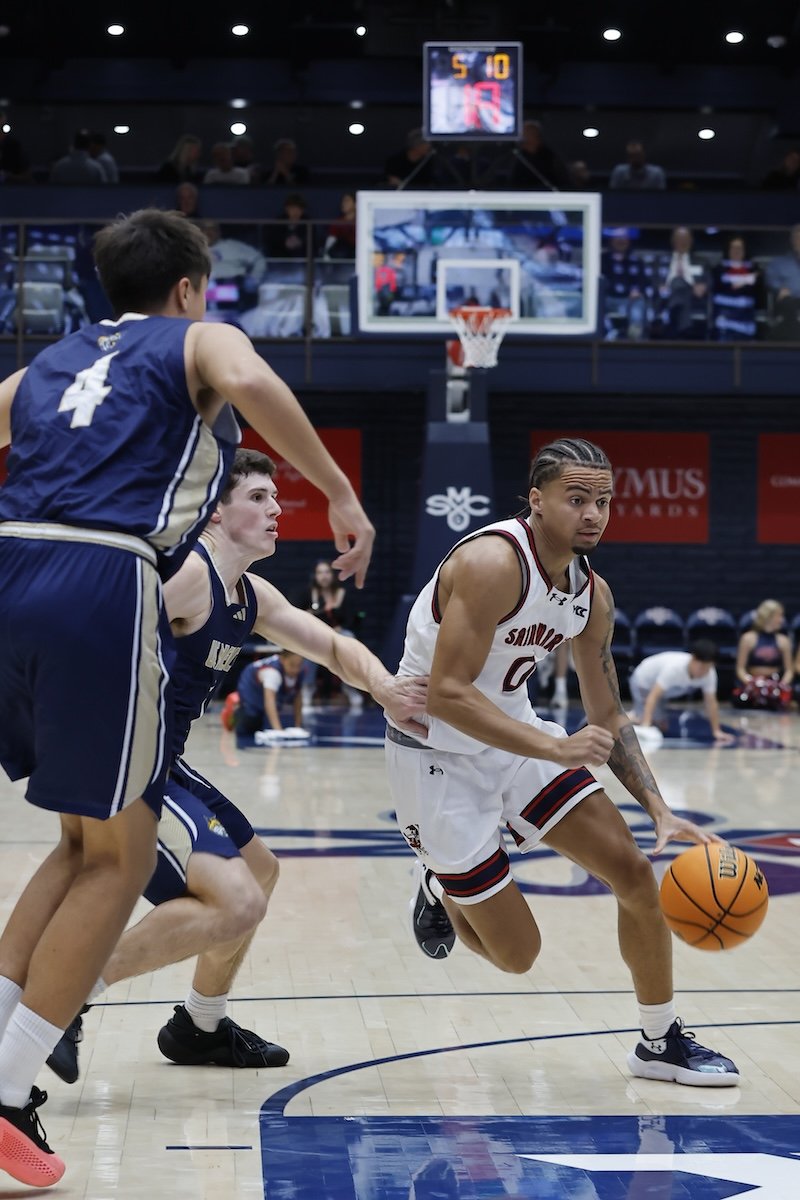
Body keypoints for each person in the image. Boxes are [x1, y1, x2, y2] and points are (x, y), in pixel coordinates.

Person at [0, 207, 375, 1187]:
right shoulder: (196, 337)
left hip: (11, 576)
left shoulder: (55, 359)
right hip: (98, 579)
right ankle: (3, 1092)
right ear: (185, 288)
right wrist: (337, 490)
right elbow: (248, 379)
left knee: (82, 840)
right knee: (119, 861)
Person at [45, 448, 426, 1085]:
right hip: (118, 758)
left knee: (260, 871)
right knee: (236, 902)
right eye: (257, 498)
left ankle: (200, 1025)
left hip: (160, 759)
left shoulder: (248, 593)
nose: (276, 509)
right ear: (214, 511)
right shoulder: (190, 575)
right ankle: (63, 995)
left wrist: (386, 688)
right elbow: (94, 635)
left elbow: (329, 643)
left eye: (276, 499)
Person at [385, 437, 740, 1095]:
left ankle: (659, 1040)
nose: (593, 514)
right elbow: (448, 693)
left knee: (635, 871)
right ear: (536, 500)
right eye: (576, 498)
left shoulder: (589, 593)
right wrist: (552, 746)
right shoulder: (493, 562)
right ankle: (436, 877)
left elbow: (608, 715)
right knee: (517, 956)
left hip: (517, 738)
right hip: (436, 755)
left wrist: (659, 809)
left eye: (603, 500)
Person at [628, 640, 735, 743]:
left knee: (662, 725)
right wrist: (646, 725)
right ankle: (630, 717)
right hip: (643, 681)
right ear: (693, 659)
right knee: (646, 721)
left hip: (665, 691)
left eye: (708, 668)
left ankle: (637, 716)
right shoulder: (675, 668)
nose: (704, 672)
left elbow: (711, 703)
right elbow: (653, 696)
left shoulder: (709, 674)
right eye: (701, 667)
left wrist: (716, 731)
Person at [296, 558, 361, 707]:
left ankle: (350, 686)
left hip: (338, 633)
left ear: (332, 575)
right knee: (310, 647)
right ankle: (308, 687)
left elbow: (353, 617)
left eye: (327, 572)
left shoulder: (341, 593)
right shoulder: (308, 594)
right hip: (317, 634)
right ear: (315, 576)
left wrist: (341, 626)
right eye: (320, 573)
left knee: (350, 638)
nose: (324, 576)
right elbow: (298, 615)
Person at [733, 599, 793, 710]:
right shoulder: (747, 638)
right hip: (752, 682)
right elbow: (740, 669)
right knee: (740, 700)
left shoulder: (784, 641)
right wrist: (752, 683)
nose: (781, 620)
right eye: (778, 616)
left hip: (774, 683)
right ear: (767, 616)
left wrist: (781, 685)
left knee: (778, 701)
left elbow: (789, 670)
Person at [236, 648, 308, 739]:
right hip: (251, 687)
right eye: (292, 665)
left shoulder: (300, 671)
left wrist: (298, 726)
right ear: (282, 659)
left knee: (278, 717)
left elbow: (298, 698)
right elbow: (270, 701)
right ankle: (234, 708)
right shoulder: (272, 672)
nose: (296, 669)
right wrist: (278, 731)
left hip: (267, 690)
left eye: (299, 665)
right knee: (250, 723)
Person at [654, 226, 710, 339]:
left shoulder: (701, 262)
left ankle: (673, 321)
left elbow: (708, 281)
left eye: (686, 239)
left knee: (680, 284)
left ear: (691, 241)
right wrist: (659, 287)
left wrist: (703, 287)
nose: (683, 242)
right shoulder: (661, 260)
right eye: (679, 239)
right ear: (673, 241)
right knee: (677, 282)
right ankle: (684, 328)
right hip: (666, 297)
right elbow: (654, 280)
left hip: (693, 298)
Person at [710, 235, 762, 341]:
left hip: (746, 321)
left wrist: (739, 283)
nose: (736, 251)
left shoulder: (753, 268)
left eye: (739, 248)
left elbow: (755, 289)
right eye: (733, 248)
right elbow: (725, 286)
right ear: (728, 250)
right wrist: (747, 280)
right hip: (723, 320)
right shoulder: (719, 268)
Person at [507, 119, 571, 191]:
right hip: (519, 195)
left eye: (527, 133)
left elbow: (561, 180)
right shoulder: (516, 156)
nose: (523, 136)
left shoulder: (549, 157)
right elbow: (512, 181)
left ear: (536, 135)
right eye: (523, 133)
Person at [765, 224, 800, 341]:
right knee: (788, 304)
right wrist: (779, 289)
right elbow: (771, 280)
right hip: (789, 306)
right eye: (797, 237)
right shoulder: (779, 263)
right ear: (792, 241)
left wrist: (791, 291)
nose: (799, 240)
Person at [322, 191, 357, 260]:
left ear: (355, 204)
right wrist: (326, 252)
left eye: (347, 201)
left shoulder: (363, 220)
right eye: (343, 201)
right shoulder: (339, 221)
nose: (343, 204)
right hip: (343, 256)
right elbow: (332, 238)